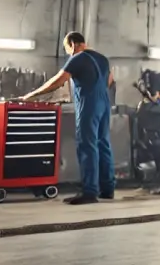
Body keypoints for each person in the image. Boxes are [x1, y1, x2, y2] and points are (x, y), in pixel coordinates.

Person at [21, 31, 115, 204]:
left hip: (90, 104)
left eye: (67, 49)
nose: (68, 53)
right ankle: (107, 189)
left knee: (87, 145)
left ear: (73, 44)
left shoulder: (77, 58)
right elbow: (110, 80)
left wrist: (30, 96)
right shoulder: (103, 59)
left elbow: (58, 81)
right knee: (103, 143)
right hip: (104, 102)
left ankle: (89, 192)